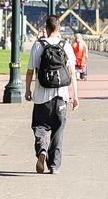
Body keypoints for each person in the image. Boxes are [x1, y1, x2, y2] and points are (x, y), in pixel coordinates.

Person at [25, 14, 78, 174]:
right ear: (59, 28)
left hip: (42, 96)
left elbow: (29, 71)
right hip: (62, 96)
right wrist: (75, 96)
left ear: (46, 29)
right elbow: (72, 73)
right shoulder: (66, 45)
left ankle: (41, 150)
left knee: (40, 126)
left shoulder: (38, 45)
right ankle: (54, 166)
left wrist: (28, 90)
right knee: (58, 131)